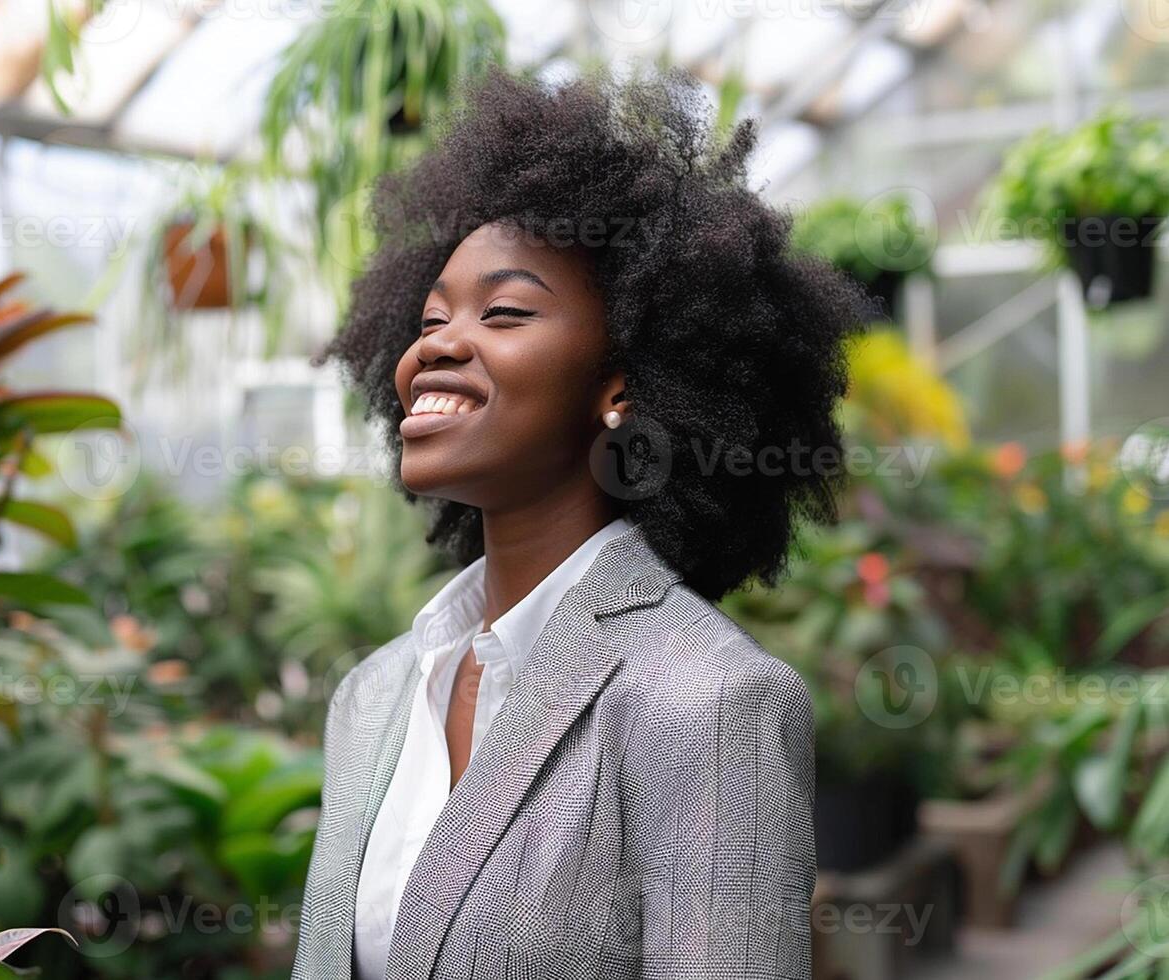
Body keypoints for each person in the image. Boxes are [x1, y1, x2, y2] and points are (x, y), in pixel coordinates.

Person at [293, 64, 870, 980]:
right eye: (431, 316)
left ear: (622, 388)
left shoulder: (710, 702)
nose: (434, 344)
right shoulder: (372, 698)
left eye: (505, 311)